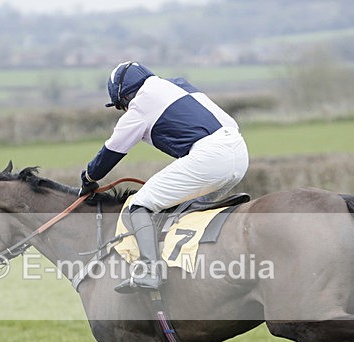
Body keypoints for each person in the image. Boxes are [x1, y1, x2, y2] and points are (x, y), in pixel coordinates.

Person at [79, 61, 249, 294]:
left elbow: (112, 150)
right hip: (239, 152)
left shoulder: (140, 105)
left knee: (139, 204)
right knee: (183, 208)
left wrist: (88, 177)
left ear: (125, 97)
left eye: (121, 107)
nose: (124, 112)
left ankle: (150, 270)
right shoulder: (178, 84)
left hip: (209, 158)